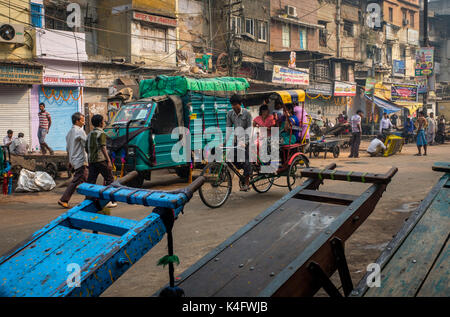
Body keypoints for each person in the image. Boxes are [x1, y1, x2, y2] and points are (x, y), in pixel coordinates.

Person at [58, 113, 88, 208]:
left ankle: (89, 199)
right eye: (82, 120)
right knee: (78, 180)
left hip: (74, 160)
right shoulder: (80, 131)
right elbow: (87, 145)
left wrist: (70, 161)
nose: (84, 122)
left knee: (85, 179)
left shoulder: (70, 132)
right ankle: (64, 199)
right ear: (77, 121)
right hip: (80, 160)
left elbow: (68, 148)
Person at [86, 115, 116, 200]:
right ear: (100, 123)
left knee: (91, 181)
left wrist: (91, 155)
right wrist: (109, 160)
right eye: (103, 121)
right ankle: (108, 199)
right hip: (101, 160)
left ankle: (89, 198)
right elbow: (103, 147)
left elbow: (86, 148)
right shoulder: (102, 133)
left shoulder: (90, 134)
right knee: (109, 179)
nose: (104, 122)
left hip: (92, 161)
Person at [226, 94, 252, 191]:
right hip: (237, 140)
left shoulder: (247, 113)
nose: (233, 107)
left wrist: (245, 142)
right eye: (232, 104)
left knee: (246, 161)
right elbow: (229, 129)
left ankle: (247, 182)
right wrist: (224, 143)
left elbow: (249, 130)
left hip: (247, 139)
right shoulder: (230, 114)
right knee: (230, 158)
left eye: (235, 104)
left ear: (240, 104)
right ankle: (247, 171)